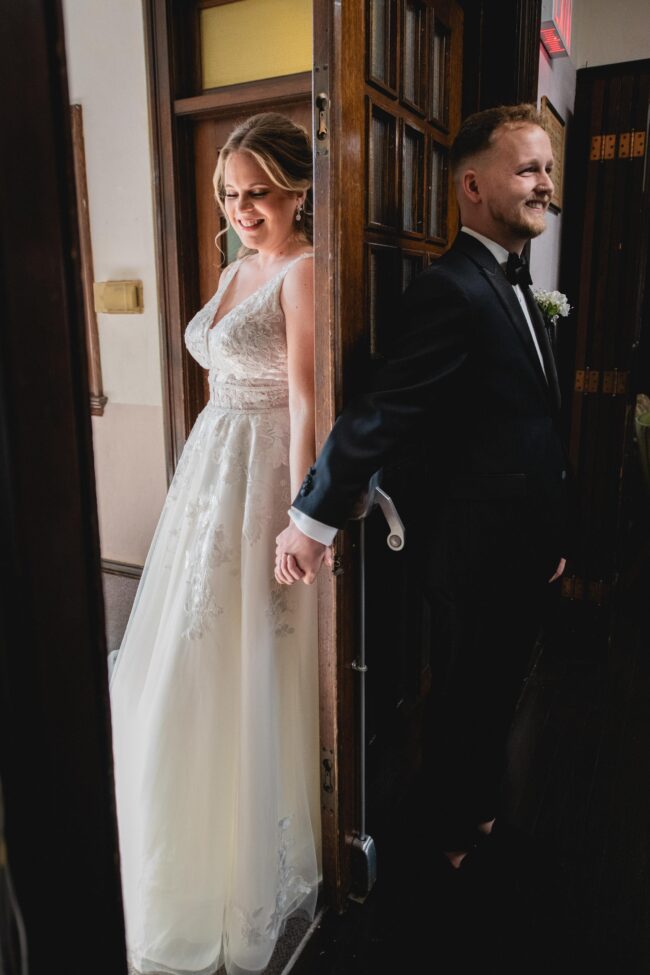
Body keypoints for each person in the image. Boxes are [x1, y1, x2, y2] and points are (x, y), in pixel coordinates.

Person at [275, 104, 570, 871]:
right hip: (473, 551)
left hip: (524, 544)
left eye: (547, 168)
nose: (545, 183)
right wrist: (313, 517)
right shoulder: (451, 290)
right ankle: (447, 841)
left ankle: (479, 810)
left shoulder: (515, 282)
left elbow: (531, 426)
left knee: (500, 687)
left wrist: (554, 536)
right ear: (472, 186)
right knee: (466, 695)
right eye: (527, 169)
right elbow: (383, 412)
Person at [109, 112, 322, 975]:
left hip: (262, 476)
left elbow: (307, 401)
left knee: (244, 645)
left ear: (298, 191)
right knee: (187, 641)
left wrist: (304, 510)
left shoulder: (304, 272)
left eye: (259, 193)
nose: (242, 209)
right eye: (232, 195)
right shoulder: (237, 267)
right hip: (212, 468)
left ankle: (242, 843)